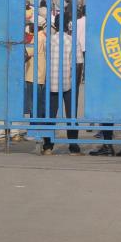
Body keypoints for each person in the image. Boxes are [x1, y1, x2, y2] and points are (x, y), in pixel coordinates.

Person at [42, 14, 81, 155]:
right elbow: (78, 64)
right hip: (68, 82)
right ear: (68, 25)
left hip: (51, 82)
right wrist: (75, 83)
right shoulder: (73, 40)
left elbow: (46, 58)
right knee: (71, 116)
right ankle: (74, 147)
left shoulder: (49, 41)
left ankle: (48, 146)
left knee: (50, 116)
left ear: (55, 25)